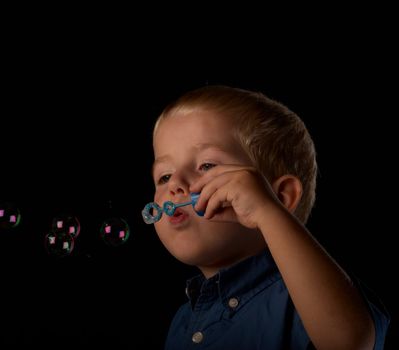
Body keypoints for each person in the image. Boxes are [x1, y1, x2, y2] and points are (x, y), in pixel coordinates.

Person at [149, 85, 389, 349]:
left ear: (280, 198)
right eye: (164, 176)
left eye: (206, 165)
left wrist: (266, 211)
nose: (175, 185)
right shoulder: (182, 321)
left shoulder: (304, 296)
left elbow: (349, 343)